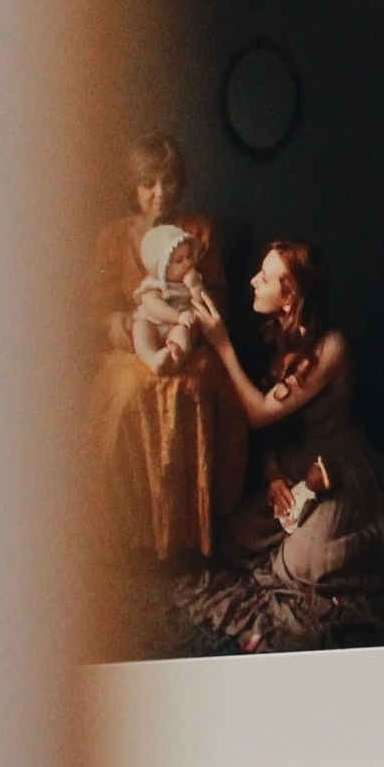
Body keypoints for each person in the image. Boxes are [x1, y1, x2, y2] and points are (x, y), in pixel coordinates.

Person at [177, 240, 384, 653]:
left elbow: (259, 413)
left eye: (266, 278)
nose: (254, 282)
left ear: (290, 295)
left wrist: (221, 345)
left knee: (305, 563)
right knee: (236, 537)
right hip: (295, 462)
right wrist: (274, 475)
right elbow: (276, 428)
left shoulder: (331, 347)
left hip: (338, 467)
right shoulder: (281, 334)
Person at [89, 134, 243, 564]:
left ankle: (189, 535)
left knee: (192, 385)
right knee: (127, 393)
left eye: (169, 181)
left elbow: (218, 297)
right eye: (148, 183)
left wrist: (192, 313)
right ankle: (134, 533)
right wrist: (124, 326)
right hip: (134, 338)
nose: (160, 192)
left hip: (186, 331)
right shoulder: (113, 237)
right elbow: (100, 308)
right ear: (133, 187)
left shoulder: (198, 231)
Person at [130, 223, 205, 377]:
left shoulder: (193, 279)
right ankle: (152, 359)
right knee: (140, 328)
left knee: (183, 334)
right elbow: (153, 307)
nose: (187, 263)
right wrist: (177, 316)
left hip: (177, 325)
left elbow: (202, 304)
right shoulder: (153, 284)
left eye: (189, 256)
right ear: (162, 267)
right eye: (179, 260)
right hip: (154, 322)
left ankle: (175, 357)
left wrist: (195, 288)